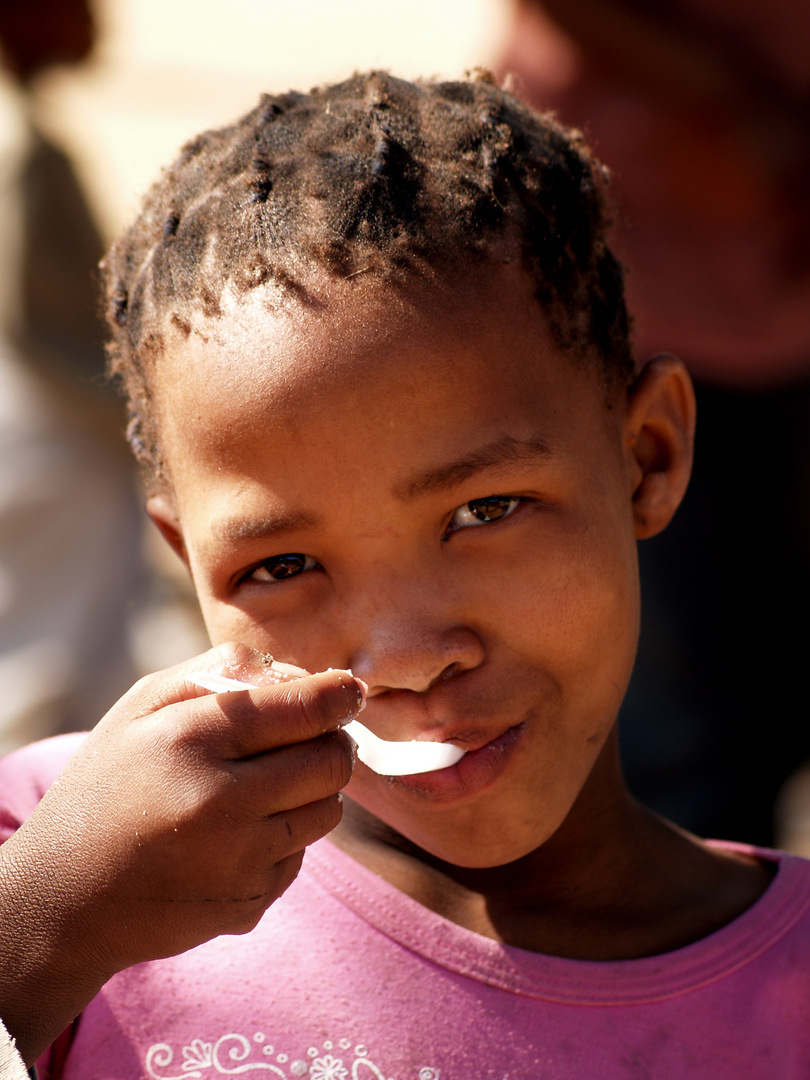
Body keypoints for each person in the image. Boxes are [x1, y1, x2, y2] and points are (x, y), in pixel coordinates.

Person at [0, 71, 807, 1080]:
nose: (410, 659)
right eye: (282, 565)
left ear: (646, 456)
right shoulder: (56, 847)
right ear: (191, 565)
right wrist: (36, 938)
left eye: (485, 512)